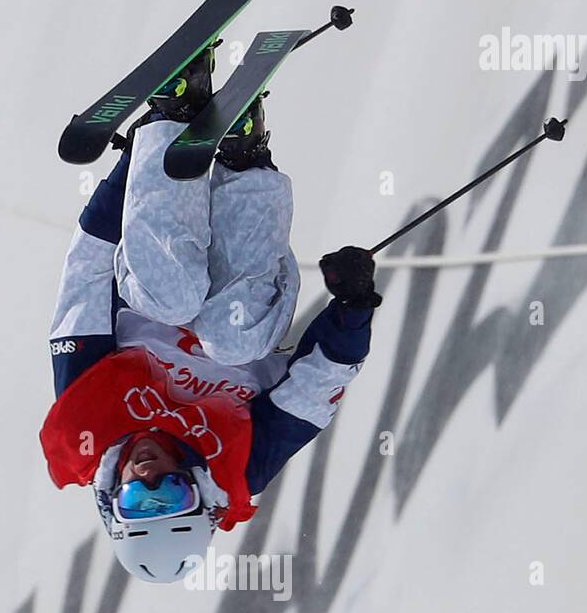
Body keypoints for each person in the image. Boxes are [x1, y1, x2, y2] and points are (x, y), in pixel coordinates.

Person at [39, 45, 382, 584]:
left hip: (158, 247)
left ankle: (173, 115)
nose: (149, 476)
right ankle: (245, 160)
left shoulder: (85, 424)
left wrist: (135, 166)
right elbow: (312, 395)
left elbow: (84, 276)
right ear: (196, 489)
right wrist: (353, 307)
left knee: (169, 299)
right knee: (232, 341)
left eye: (138, 499)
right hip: (238, 290)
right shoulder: (238, 467)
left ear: (113, 501)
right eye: (169, 495)